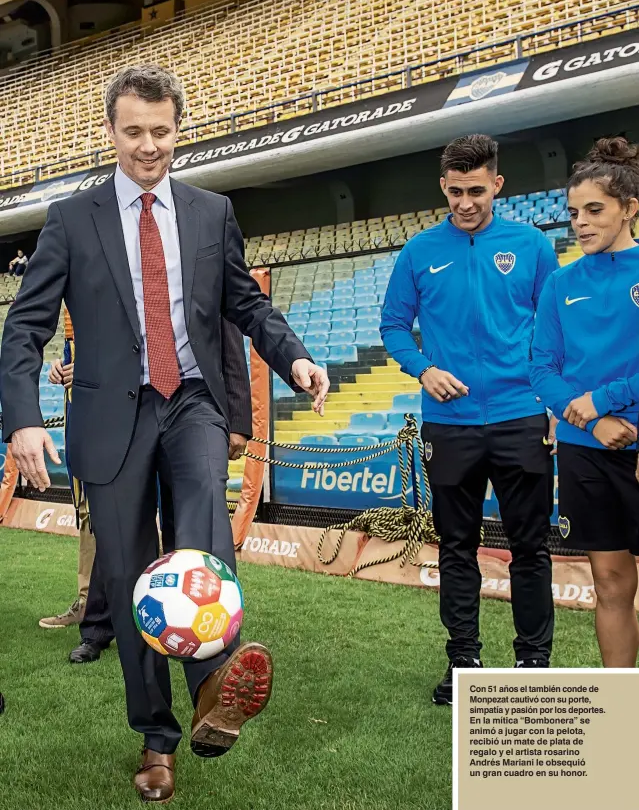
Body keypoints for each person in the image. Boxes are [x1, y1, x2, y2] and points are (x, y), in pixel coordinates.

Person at [0, 63, 329, 803]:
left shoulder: (211, 211)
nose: (149, 145)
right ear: (111, 132)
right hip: (111, 414)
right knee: (128, 577)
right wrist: (21, 416)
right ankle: (157, 737)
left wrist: (297, 357)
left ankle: (216, 687)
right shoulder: (70, 217)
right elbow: (24, 328)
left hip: (193, 404)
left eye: (162, 131)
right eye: (134, 131)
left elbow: (246, 304)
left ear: (180, 130)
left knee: (204, 539)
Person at [380, 134, 558, 706]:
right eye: (455, 191)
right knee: (456, 546)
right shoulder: (418, 251)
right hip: (450, 424)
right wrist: (424, 369)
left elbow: (554, 331)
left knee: (530, 548)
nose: (464, 202)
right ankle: (464, 662)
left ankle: (533, 662)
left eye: (476, 190)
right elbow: (391, 327)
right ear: (443, 187)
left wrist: (552, 401)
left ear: (497, 185)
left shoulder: (531, 245)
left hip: (521, 416)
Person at [39, 313, 253, 657]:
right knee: (120, 523)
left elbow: (228, 328)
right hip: (128, 406)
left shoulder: (206, 259)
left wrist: (239, 418)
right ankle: (97, 628)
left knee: (189, 524)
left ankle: (213, 641)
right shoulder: (120, 263)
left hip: (191, 406)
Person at [530, 136, 639, 668]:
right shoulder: (559, 283)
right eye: (574, 212)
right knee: (611, 581)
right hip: (584, 448)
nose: (581, 222)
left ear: (629, 209)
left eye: (595, 209)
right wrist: (592, 422)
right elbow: (542, 371)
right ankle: (622, 710)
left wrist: (605, 401)